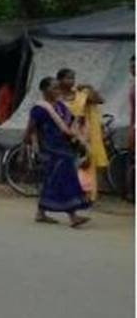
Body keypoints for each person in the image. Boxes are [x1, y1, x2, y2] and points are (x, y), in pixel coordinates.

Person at [24, 77, 91, 227]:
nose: (57, 90)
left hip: (64, 147)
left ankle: (41, 212)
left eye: (57, 88)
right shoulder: (40, 108)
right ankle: (73, 216)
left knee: (52, 180)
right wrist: (25, 144)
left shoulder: (60, 106)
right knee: (66, 179)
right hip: (51, 149)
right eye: (53, 88)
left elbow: (71, 122)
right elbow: (31, 127)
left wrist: (79, 131)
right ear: (45, 90)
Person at [57, 68, 108, 201]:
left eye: (73, 78)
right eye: (68, 78)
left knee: (84, 163)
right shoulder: (55, 96)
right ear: (60, 80)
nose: (71, 81)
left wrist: (89, 87)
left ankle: (85, 193)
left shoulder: (80, 94)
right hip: (63, 134)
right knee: (65, 164)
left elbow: (100, 100)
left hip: (82, 134)